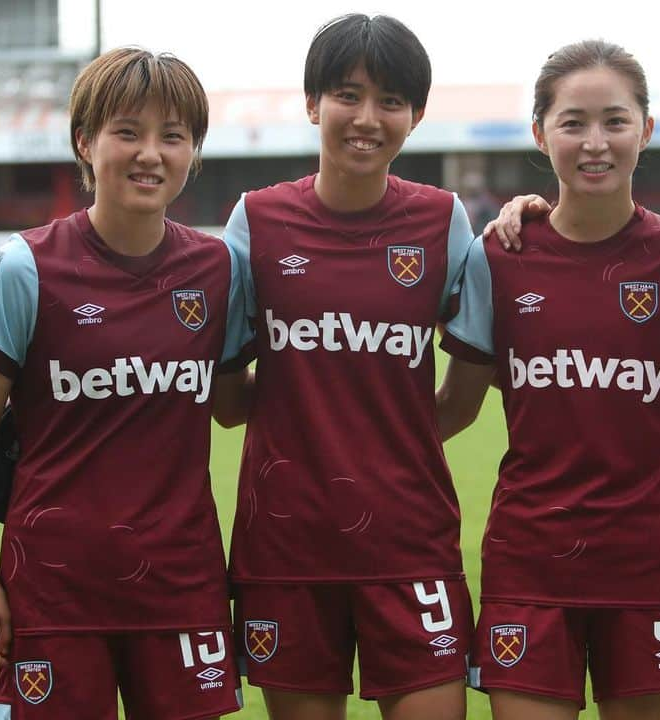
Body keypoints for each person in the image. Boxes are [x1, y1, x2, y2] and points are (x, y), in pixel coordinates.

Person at [434, 40, 660, 720]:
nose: (594, 142)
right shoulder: (499, 257)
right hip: (530, 563)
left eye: (615, 120)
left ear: (647, 130)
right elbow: (452, 407)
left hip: (648, 562)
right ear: (541, 134)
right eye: (573, 122)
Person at [0, 47, 250, 720]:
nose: (151, 153)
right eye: (128, 132)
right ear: (85, 142)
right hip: (53, 586)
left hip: (181, 582)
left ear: (192, 153)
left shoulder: (217, 270)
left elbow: (237, 405)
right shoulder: (25, 268)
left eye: (173, 136)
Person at [215, 14, 475, 720]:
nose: (367, 118)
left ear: (415, 116)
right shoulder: (255, 221)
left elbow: (465, 397)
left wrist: (390, 449)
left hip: (410, 544)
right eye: (347, 94)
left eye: (390, 100)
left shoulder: (444, 221)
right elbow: (229, 399)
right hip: (287, 547)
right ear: (312, 104)